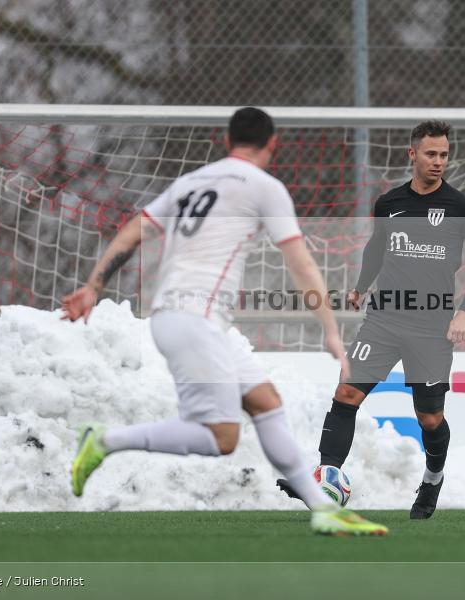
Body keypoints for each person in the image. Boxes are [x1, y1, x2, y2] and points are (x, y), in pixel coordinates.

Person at [62, 107, 387, 536]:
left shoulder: (189, 181)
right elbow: (301, 262)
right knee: (221, 438)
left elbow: (131, 232)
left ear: (226, 140)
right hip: (193, 319)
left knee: (265, 402)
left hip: (189, 318)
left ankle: (322, 509)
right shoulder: (264, 186)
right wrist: (330, 329)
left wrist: (93, 285)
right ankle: (104, 440)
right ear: (273, 143)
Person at [278, 120, 465, 519]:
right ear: (412, 154)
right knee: (346, 394)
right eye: (431, 153)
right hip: (384, 320)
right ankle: (323, 478)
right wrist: (361, 286)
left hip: (432, 327)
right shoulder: (390, 203)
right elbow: (376, 248)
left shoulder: (462, 207)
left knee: (430, 418)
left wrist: (464, 311)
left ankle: (432, 481)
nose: (439, 161)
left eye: (444, 154)